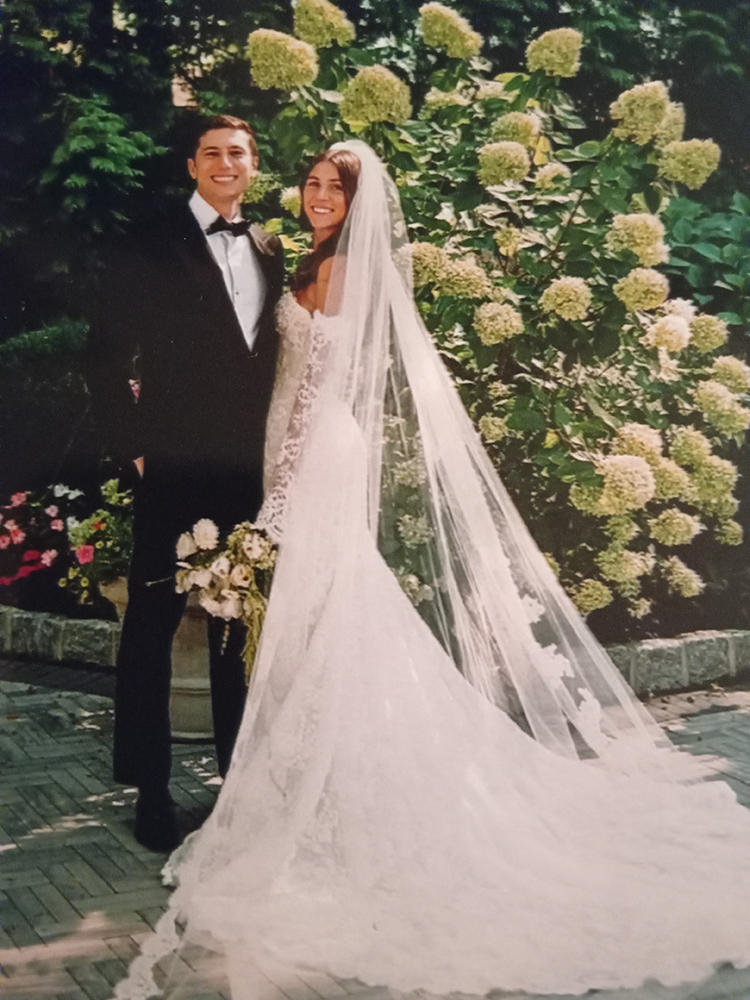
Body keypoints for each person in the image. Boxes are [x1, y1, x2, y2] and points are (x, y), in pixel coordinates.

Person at [111, 142, 750, 1000]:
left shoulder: (335, 273)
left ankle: (322, 794)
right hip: (253, 460)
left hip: (306, 462)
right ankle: (286, 782)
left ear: (359, 201)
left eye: (333, 188)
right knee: (299, 623)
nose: (317, 196)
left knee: (315, 615)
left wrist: (282, 496)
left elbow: (315, 394)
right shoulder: (287, 255)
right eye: (311, 183)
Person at [88, 114, 284, 852]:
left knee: (239, 625)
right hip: (169, 466)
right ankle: (150, 787)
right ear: (192, 165)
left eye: (238, 152)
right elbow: (103, 351)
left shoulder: (269, 246)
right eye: (212, 153)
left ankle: (236, 780)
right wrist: (132, 449)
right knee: (152, 625)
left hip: (244, 472)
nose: (225, 163)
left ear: (253, 164)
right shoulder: (150, 242)